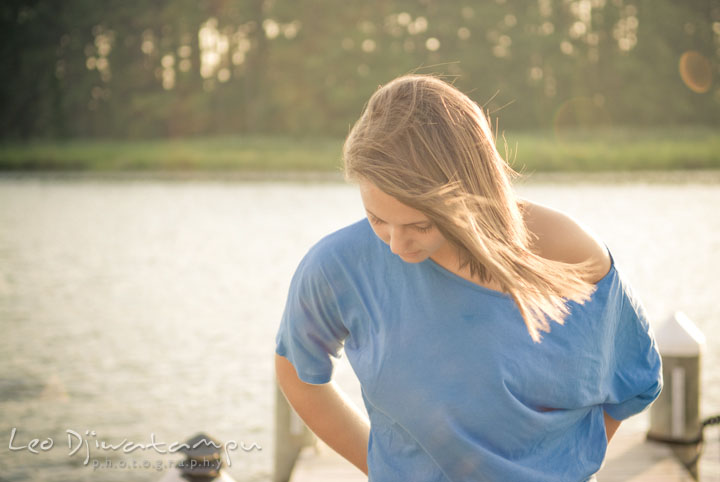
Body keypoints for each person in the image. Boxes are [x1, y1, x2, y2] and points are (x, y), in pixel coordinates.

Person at [274, 74, 662, 482]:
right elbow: (298, 373)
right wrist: (381, 466)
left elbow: (636, 379)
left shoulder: (568, 251)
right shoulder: (337, 266)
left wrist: (562, 466)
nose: (396, 245)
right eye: (378, 220)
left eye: (420, 224)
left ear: (471, 189)